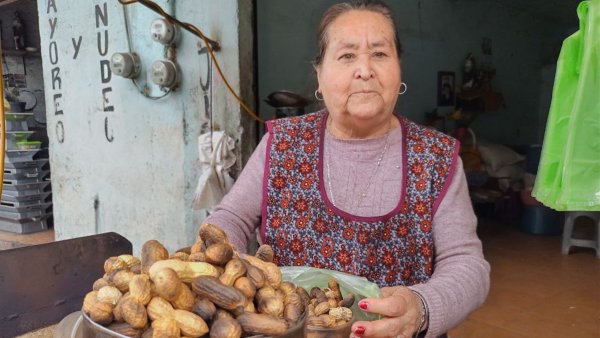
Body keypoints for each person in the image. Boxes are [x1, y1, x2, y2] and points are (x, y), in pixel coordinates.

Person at [199, 1, 490, 337]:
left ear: (399, 70)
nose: (365, 70)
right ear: (319, 75)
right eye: (347, 55)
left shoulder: (436, 159)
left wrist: (421, 308)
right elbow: (229, 220)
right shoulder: (283, 146)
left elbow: (468, 265)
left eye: (380, 54)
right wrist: (227, 274)